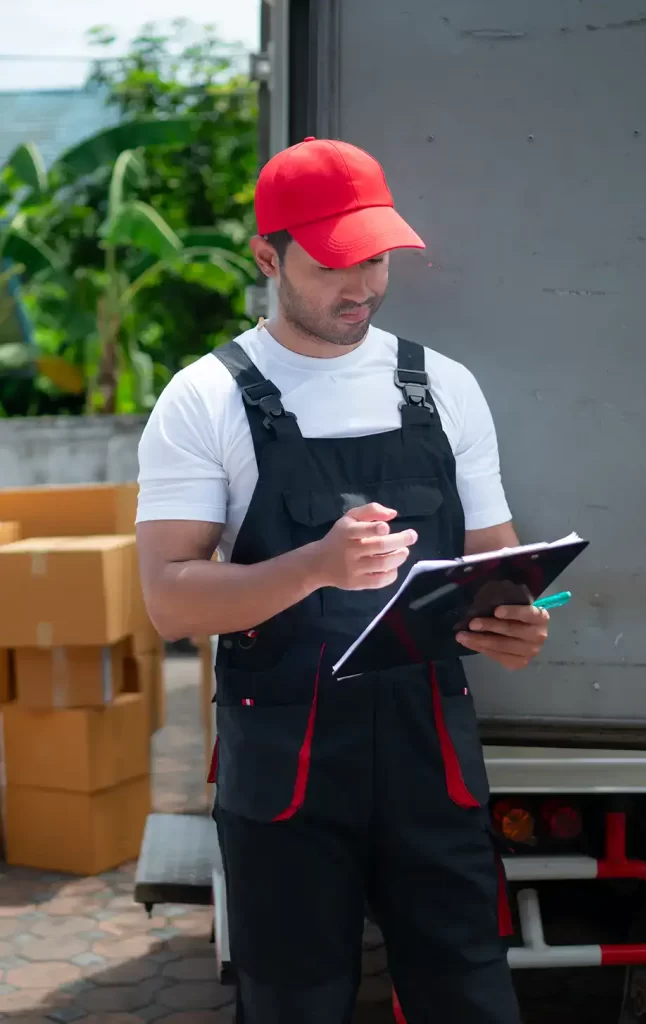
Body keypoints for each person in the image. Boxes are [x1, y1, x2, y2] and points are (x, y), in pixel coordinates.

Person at [136, 137, 549, 1023]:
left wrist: (514, 622)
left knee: (471, 996)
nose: (359, 283)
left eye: (375, 257)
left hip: (429, 752)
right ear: (267, 256)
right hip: (284, 765)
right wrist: (315, 565)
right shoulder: (206, 398)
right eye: (331, 262)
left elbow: (496, 560)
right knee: (295, 1006)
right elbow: (169, 595)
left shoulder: (441, 387)